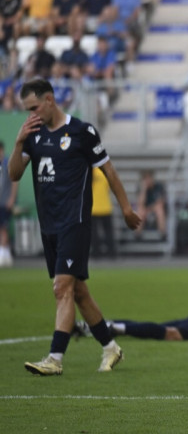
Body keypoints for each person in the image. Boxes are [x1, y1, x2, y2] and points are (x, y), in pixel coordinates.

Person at [8, 78, 141, 376]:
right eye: (26, 110)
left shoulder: (82, 132)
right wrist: (18, 143)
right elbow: (15, 174)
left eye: (33, 107)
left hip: (75, 221)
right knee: (78, 291)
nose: (31, 114)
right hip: (49, 225)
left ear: (50, 100)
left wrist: (127, 208)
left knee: (61, 288)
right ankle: (110, 348)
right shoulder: (32, 134)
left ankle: (55, 359)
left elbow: (109, 170)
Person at [0, 141, 20, 267]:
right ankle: (6, 255)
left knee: (4, 228)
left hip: (5, 202)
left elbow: (15, 181)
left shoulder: (8, 163)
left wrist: (12, 199)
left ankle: (2, 254)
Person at [90, 166, 115, 258]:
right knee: (108, 232)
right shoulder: (104, 171)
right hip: (105, 207)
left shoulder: (89, 171)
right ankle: (111, 253)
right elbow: (109, 187)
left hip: (93, 208)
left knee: (94, 233)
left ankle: (96, 254)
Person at [136, 170, 166, 238]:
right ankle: (138, 234)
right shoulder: (141, 188)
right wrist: (144, 190)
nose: (147, 181)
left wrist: (150, 208)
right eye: (145, 179)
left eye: (149, 178)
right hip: (145, 210)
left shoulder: (159, 187)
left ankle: (162, 233)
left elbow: (161, 202)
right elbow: (140, 203)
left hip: (155, 209)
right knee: (140, 210)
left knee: (159, 209)